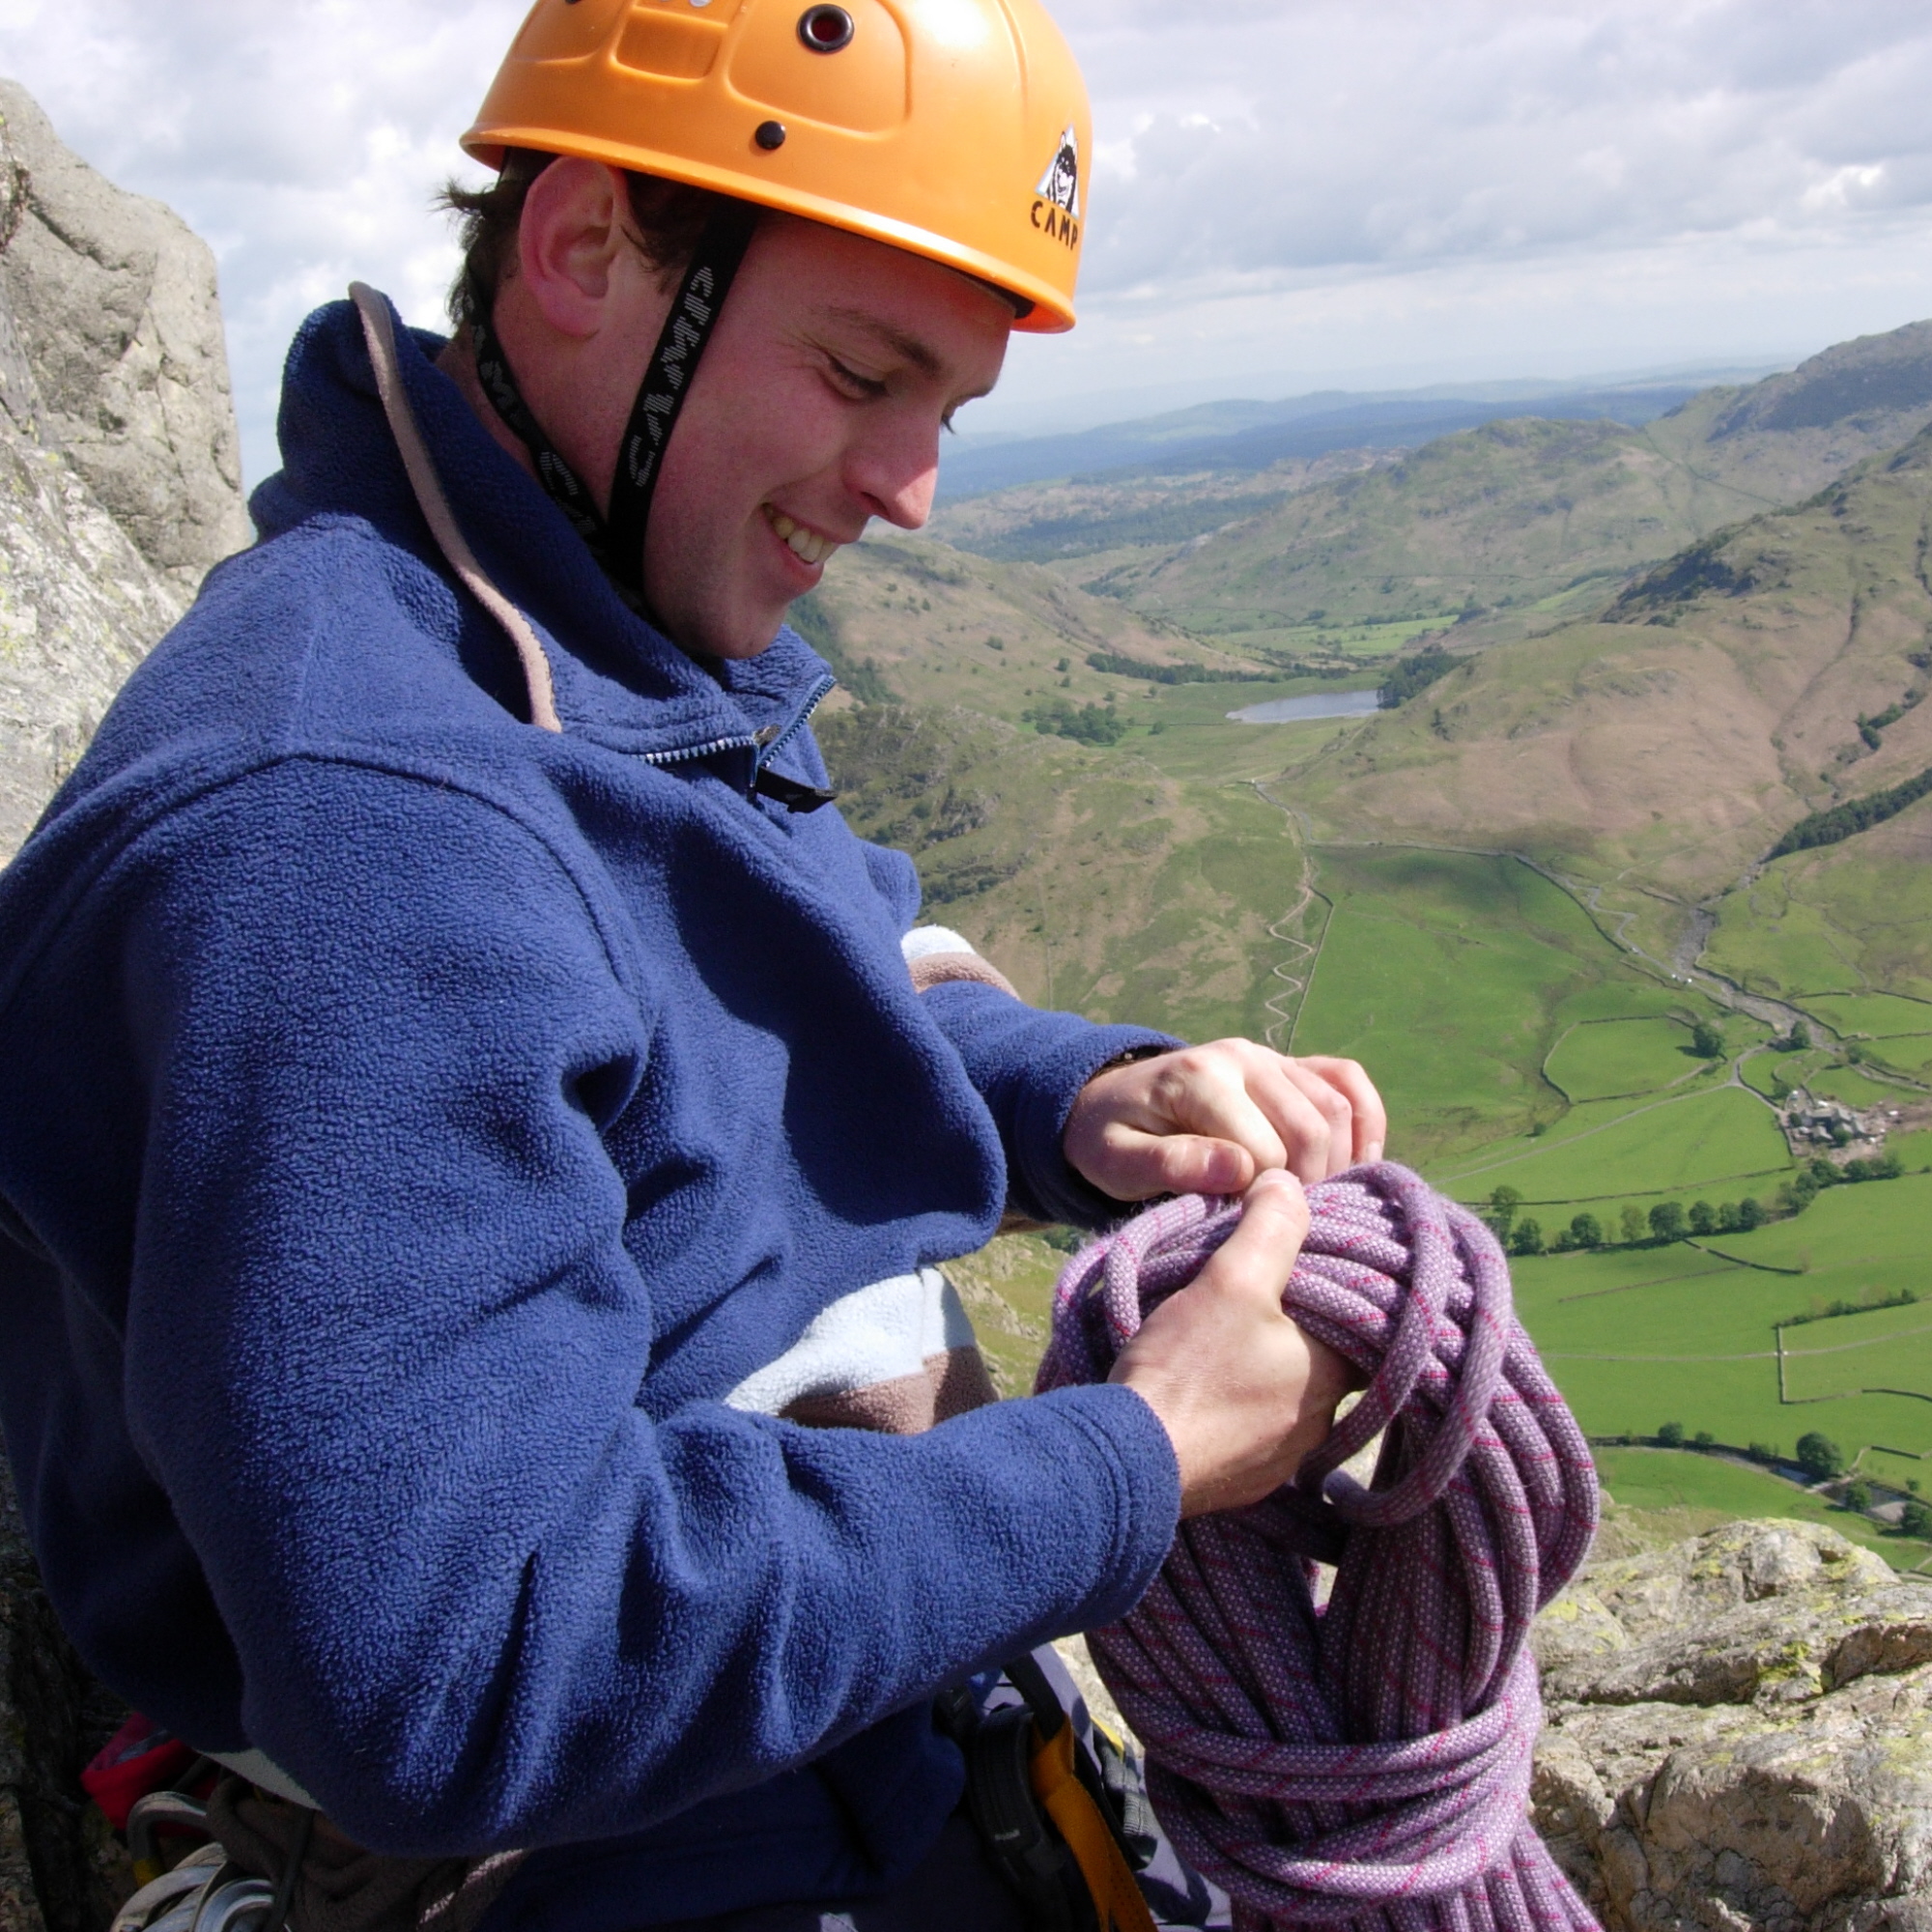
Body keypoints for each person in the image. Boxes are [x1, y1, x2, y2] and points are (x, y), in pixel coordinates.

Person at [0, 1, 1385, 1926]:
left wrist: (1079, 1096)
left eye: (947, 410)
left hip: (849, 1754)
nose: (909, 486)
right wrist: (1141, 1452)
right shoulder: (346, 829)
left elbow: (778, 990)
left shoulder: (586, 643)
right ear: (584, 248)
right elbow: (462, 1669)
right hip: (644, 1854)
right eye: (861, 372)